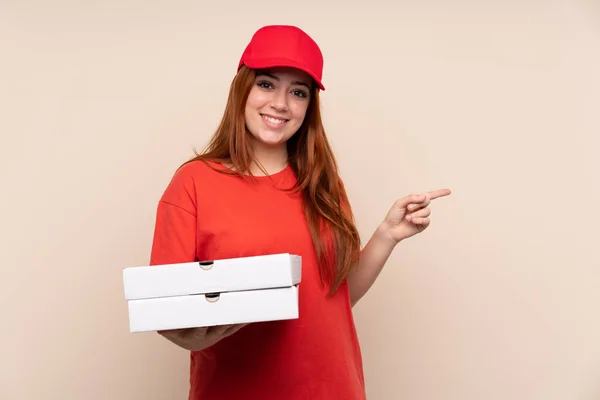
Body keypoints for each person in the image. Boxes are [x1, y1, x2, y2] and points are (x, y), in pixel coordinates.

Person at [149, 24, 451, 400]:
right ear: (241, 88)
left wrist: (388, 234)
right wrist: (189, 333)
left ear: (308, 107)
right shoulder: (194, 183)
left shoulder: (323, 184)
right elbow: (165, 309)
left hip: (334, 390)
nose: (280, 103)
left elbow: (333, 300)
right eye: (266, 84)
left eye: (298, 92)